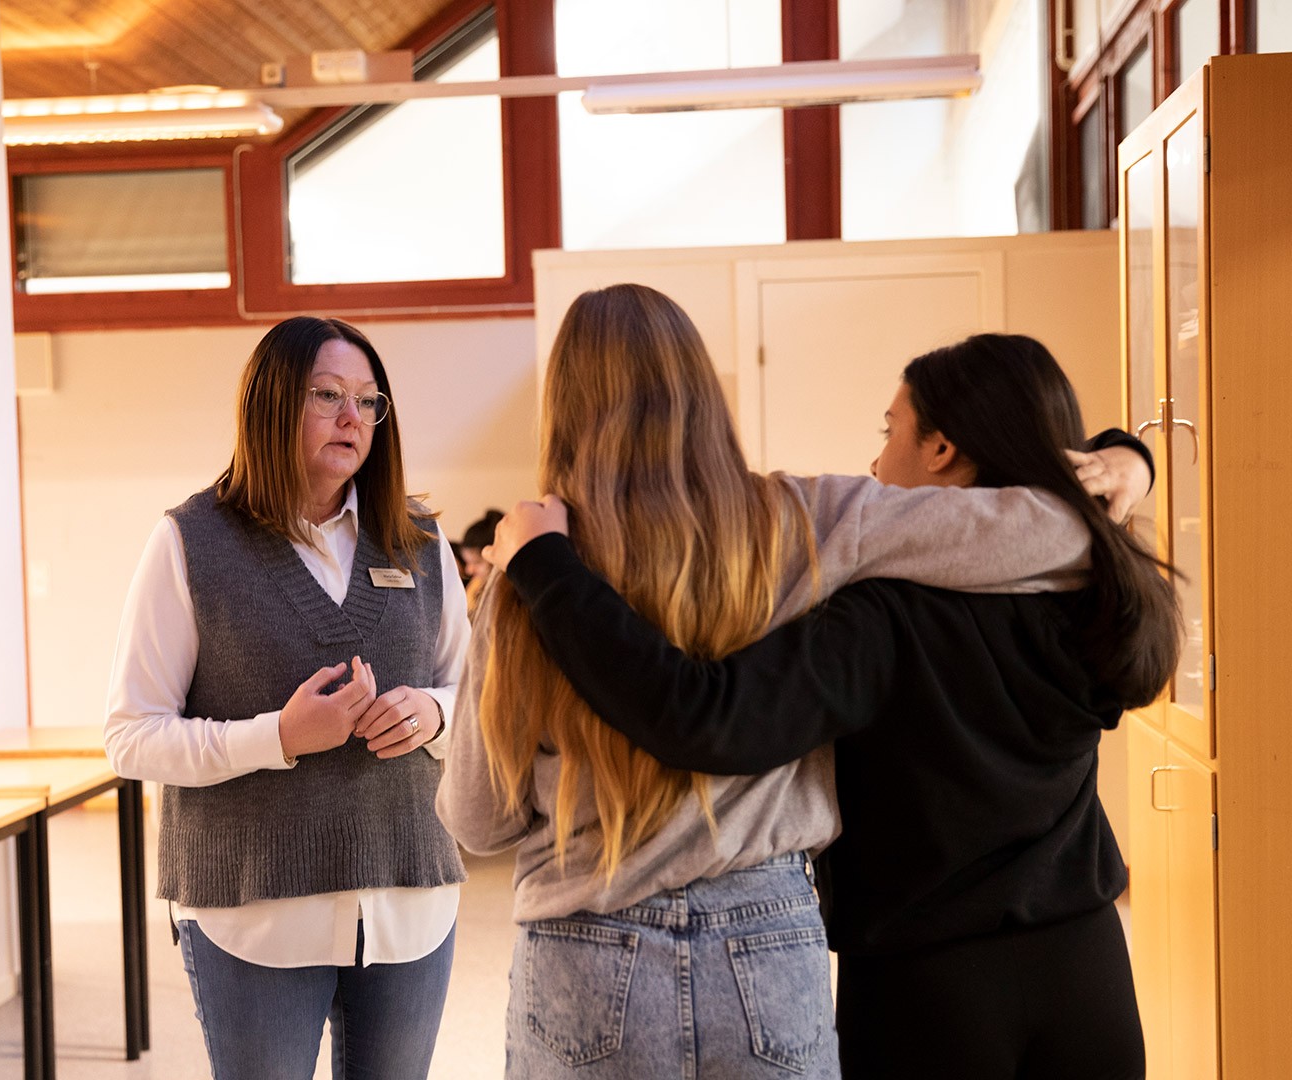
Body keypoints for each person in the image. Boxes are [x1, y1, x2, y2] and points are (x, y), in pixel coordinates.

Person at [433, 285, 1149, 1079]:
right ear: (703, 390)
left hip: (584, 937)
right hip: (765, 931)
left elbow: (478, 820)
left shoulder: (524, 575)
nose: (881, 455)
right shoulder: (801, 524)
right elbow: (1054, 534)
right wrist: (1128, 464)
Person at [104, 316, 470, 1080]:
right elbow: (132, 734)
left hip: (409, 905)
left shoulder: (421, 540)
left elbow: (474, 692)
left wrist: (433, 713)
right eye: (328, 395)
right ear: (272, 404)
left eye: (370, 402)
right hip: (253, 916)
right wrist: (278, 737)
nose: (352, 418)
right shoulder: (187, 543)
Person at [457, 509, 504, 614]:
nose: (469, 570)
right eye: (467, 562)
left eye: (476, 562)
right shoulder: (475, 587)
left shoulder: (504, 596)